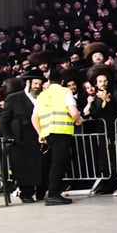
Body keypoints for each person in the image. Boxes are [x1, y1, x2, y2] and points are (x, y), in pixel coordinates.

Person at [31, 68, 82, 206]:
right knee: (58, 163)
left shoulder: (42, 95)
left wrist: (40, 133)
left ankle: (53, 192)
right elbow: (73, 111)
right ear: (63, 81)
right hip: (62, 131)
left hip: (48, 132)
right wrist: (77, 119)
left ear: (49, 81)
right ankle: (53, 194)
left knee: (55, 162)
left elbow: (34, 117)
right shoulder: (65, 92)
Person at [0, 72, 45, 203]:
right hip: (20, 140)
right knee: (23, 169)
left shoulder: (42, 98)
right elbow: (4, 120)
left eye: (40, 84)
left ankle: (41, 192)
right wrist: (7, 136)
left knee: (41, 166)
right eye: (35, 83)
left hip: (39, 137)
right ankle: (26, 194)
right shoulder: (13, 98)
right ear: (28, 83)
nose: (37, 86)